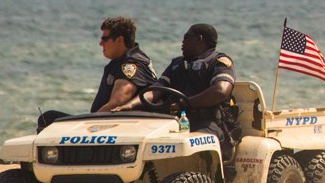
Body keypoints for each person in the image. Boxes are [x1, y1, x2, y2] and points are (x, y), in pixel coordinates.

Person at [113, 23, 241, 155]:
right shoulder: (177, 64)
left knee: (190, 145)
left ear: (199, 39)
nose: (182, 42)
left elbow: (220, 91)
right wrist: (130, 105)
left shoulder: (218, 62)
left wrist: (185, 103)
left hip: (208, 123)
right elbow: (156, 90)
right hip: (175, 122)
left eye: (186, 37)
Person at [37, 17, 157, 132]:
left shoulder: (131, 63)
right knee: (49, 118)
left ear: (119, 40)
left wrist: (88, 123)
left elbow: (119, 101)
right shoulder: (124, 60)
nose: (100, 43)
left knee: (48, 118)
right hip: (109, 124)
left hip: (115, 128)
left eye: (105, 39)